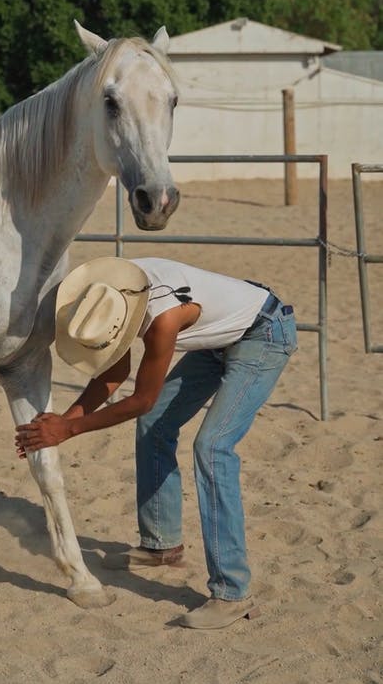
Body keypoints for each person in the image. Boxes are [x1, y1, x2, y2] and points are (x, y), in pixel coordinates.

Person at [15, 256, 297, 629]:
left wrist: (68, 431)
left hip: (262, 333)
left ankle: (232, 593)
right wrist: (64, 422)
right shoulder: (109, 291)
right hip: (219, 334)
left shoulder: (163, 319)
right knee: (156, 424)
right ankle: (161, 546)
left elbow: (140, 398)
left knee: (212, 447)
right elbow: (114, 374)